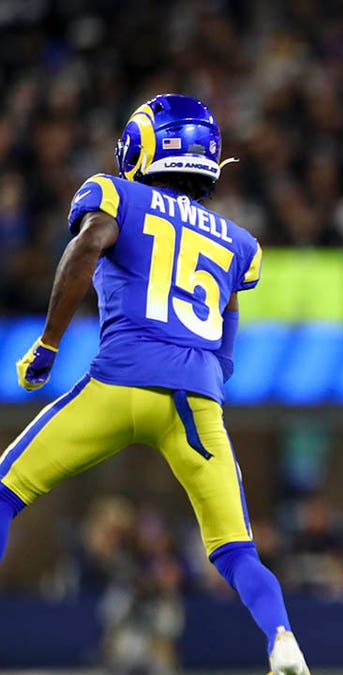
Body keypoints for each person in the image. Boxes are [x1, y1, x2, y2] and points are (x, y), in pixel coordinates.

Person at [3, 94, 309, 675]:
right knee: (237, 548)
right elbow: (226, 339)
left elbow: (88, 245)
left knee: (4, 492)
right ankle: (282, 639)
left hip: (120, 381)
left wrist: (47, 344)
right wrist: (205, 379)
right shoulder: (241, 243)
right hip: (196, 401)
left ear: (145, 144)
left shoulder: (115, 193)